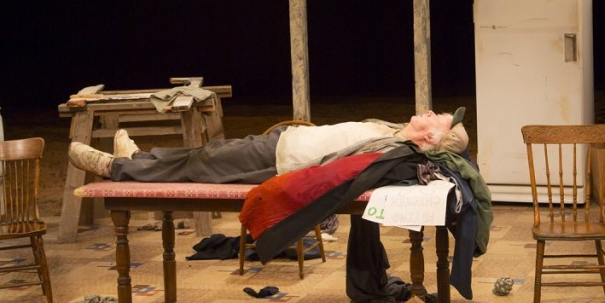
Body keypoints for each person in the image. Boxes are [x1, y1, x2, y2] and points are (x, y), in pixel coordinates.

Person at [68, 107, 469, 184]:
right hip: (283, 142)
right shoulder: (393, 130)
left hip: (281, 161)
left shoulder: (394, 149)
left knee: (203, 162)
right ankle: (138, 158)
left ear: (431, 137)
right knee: (202, 157)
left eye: (438, 118)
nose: (431, 111)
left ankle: (115, 169)